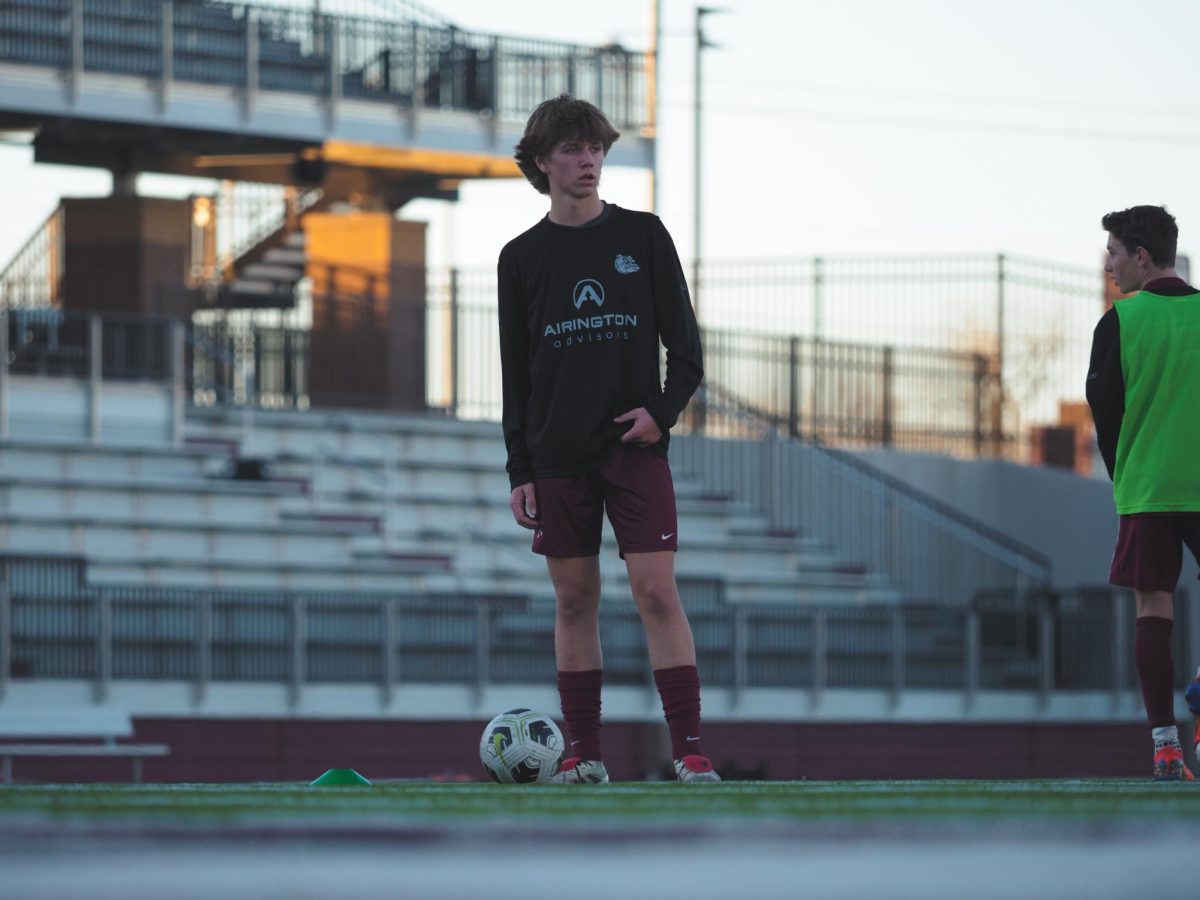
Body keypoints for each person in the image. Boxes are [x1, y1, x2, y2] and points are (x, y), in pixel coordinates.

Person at [497, 94, 720, 784]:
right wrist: (519, 470)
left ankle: (689, 749)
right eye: (571, 149)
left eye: (595, 147)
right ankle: (582, 755)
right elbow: (516, 379)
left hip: (634, 452)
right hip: (557, 455)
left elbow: (686, 352)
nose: (587, 159)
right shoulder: (520, 258)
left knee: (657, 593)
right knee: (574, 600)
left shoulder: (644, 236)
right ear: (542, 163)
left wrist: (661, 414)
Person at [1086, 204, 1200, 782]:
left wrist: (1124, 468)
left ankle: (1165, 746)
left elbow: (1104, 412)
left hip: (1149, 486)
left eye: (1113, 252)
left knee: (1153, 607)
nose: (1108, 265)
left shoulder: (1120, 323)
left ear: (1142, 256)